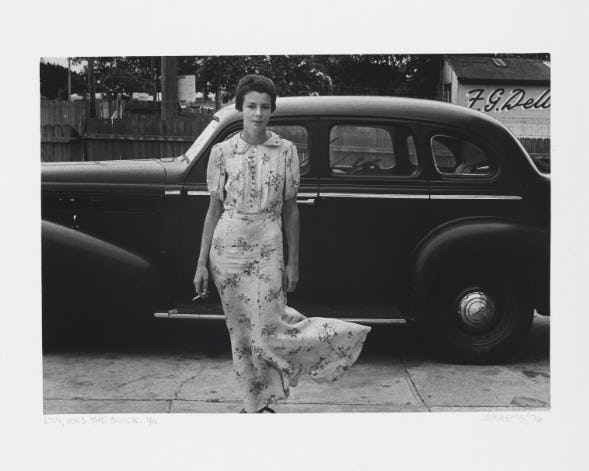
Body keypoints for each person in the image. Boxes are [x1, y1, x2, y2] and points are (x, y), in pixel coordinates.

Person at [193, 74, 371, 413]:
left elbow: (291, 211)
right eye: (251, 106)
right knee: (242, 334)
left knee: (270, 327)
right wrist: (201, 263)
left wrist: (294, 262)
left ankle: (337, 340)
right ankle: (256, 403)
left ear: (272, 110)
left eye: (264, 107)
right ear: (240, 108)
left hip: (268, 247)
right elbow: (213, 208)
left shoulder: (286, 151)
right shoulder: (222, 152)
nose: (258, 113)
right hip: (227, 252)